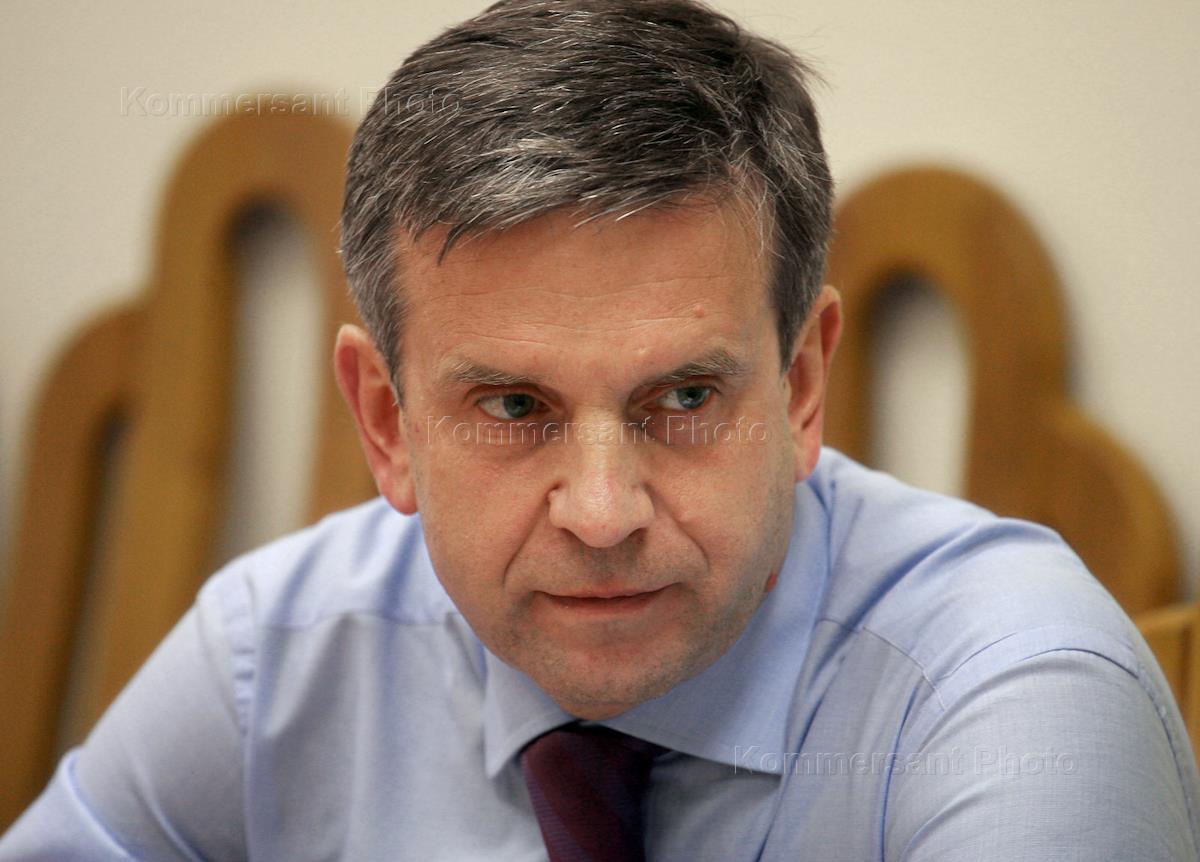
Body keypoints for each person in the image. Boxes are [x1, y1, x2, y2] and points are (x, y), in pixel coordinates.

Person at [3, 0, 1197, 858]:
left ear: (800, 388)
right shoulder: (279, 658)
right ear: (386, 420)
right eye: (514, 408)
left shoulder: (1010, 698)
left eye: (685, 398)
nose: (603, 512)